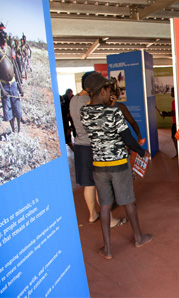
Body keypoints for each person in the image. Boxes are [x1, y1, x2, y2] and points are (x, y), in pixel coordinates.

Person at [80, 72, 153, 259]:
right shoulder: (113, 112)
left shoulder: (84, 113)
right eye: (107, 89)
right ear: (103, 91)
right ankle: (138, 237)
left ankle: (108, 249)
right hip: (119, 163)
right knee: (128, 201)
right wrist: (142, 151)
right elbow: (126, 137)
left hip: (99, 165)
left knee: (104, 205)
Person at [69, 71, 128, 228]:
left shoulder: (73, 100)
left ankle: (92, 215)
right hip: (95, 146)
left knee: (88, 184)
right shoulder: (91, 101)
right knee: (101, 186)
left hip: (80, 146)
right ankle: (110, 219)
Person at [0, 21, 25, 132]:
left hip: (13, 83)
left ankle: (19, 130)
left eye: (5, 33)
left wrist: (20, 85)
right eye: (2, 33)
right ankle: (13, 130)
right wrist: (1, 88)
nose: (4, 36)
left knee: (17, 109)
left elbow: (15, 67)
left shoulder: (10, 48)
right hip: (4, 85)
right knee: (8, 110)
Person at [155, 87, 178, 158]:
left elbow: (173, 113)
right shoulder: (177, 101)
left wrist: (165, 114)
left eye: (172, 92)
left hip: (175, 123)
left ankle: (178, 153)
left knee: (174, 138)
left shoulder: (174, 101)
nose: (171, 93)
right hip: (178, 122)